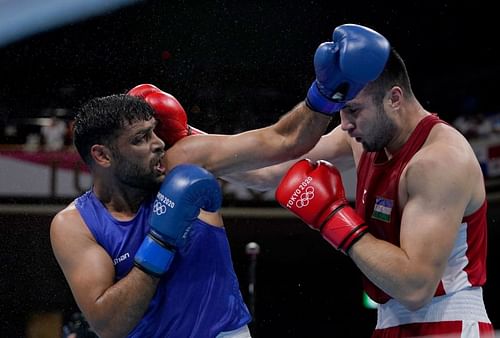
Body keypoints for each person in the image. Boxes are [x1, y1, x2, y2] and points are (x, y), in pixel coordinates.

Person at [49, 23, 390, 337]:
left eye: (154, 133)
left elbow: (281, 142)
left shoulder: (182, 160)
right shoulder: (74, 226)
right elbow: (109, 325)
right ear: (102, 156)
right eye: (140, 139)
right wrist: (159, 244)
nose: (156, 144)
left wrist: (325, 93)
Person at [230, 28, 495, 337]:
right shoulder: (361, 139)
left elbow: (415, 287)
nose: (344, 124)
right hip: (388, 322)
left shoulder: (438, 160)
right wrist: (184, 141)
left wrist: (333, 218)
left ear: (394, 98)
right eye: (341, 110)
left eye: (354, 109)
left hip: (447, 322)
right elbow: (267, 170)